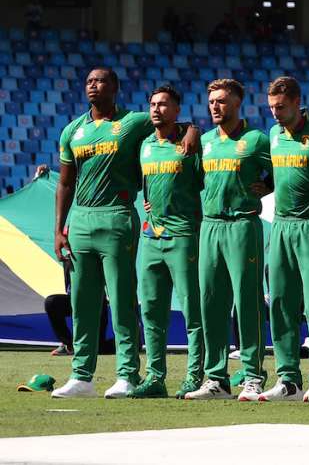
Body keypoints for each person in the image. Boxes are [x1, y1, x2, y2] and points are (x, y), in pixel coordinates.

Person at [51, 68, 198, 399]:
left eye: (100, 81)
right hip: (81, 222)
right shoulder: (73, 130)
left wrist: (192, 131)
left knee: (121, 300)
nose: (93, 85)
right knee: (83, 303)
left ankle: (127, 374)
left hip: (117, 219)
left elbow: (173, 123)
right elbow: (64, 182)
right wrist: (59, 229)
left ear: (115, 88)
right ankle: (81, 376)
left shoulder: (134, 122)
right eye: (88, 81)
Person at [185, 79, 272, 401]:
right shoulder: (204, 141)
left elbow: (283, 170)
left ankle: (253, 377)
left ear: (237, 103)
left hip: (242, 225)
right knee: (210, 303)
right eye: (212, 101)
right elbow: (192, 180)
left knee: (247, 304)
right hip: (209, 226)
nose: (215, 106)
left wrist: (270, 186)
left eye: (222, 101)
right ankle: (216, 379)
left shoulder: (256, 140)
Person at [260, 77, 309, 403]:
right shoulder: (273, 135)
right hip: (280, 225)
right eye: (272, 107)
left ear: (297, 102)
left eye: (282, 107)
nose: (276, 113)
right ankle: (288, 379)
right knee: (280, 304)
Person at [131, 85, 205, 399]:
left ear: (177, 110)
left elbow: (206, 181)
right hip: (151, 237)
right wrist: (150, 203)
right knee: (151, 311)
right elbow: (147, 184)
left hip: (184, 235)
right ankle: (155, 377)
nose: (156, 109)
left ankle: (194, 375)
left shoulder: (192, 144)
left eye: (163, 104)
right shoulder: (145, 144)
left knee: (192, 310)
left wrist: (193, 130)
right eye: (152, 104)